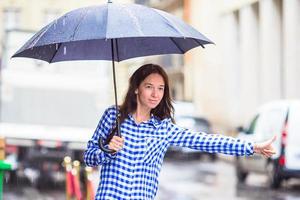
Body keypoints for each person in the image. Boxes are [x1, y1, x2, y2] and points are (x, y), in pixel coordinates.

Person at [84, 63, 276, 200]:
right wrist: (108, 150)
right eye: (149, 87)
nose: (155, 94)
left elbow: (206, 140)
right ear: (136, 89)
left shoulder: (163, 128)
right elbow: (89, 157)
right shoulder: (113, 116)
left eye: (160, 88)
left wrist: (252, 147)